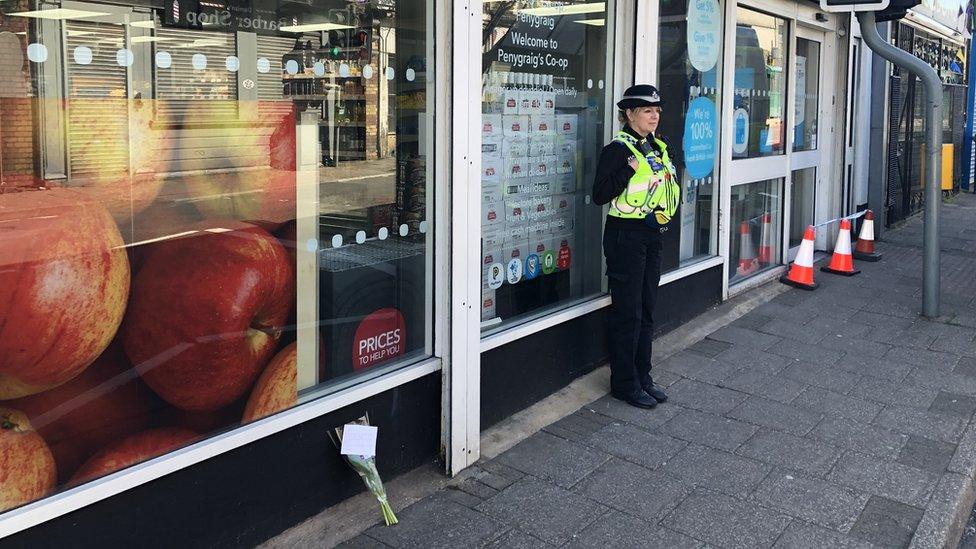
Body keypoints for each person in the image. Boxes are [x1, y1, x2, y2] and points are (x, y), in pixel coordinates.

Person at [592, 84, 680, 409]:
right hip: (624, 237)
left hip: (651, 235)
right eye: (647, 110)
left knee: (646, 309)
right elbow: (599, 195)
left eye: (657, 110)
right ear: (630, 114)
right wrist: (627, 170)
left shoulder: (659, 146)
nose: (654, 115)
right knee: (627, 312)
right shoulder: (618, 149)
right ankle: (625, 384)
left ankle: (643, 376)